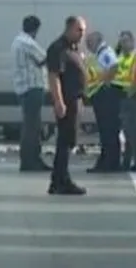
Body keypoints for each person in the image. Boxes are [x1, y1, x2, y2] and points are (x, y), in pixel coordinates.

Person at [46, 16, 88, 195]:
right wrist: (58, 101)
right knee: (65, 141)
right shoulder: (58, 49)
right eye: (79, 30)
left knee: (69, 141)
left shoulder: (73, 48)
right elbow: (54, 76)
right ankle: (62, 180)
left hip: (76, 99)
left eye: (83, 30)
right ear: (69, 28)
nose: (82, 34)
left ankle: (58, 179)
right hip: (67, 100)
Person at [11, 14, 50, 172]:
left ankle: (31, 159)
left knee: (31, 124)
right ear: (36, 29)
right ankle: (31, 160)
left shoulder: (17, 41)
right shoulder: (27, 42)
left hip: (23, 88)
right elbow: (43, 58)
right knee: (32, 126)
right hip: (31, 88)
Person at [84, 30, 122, 173]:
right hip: (101, 97)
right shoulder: (99, 53)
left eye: (89, 42)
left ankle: (110, 162)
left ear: (98, 40)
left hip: (106, 97)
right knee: (106, 131)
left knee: (108, 130)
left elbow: (114, 66)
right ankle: (107, 161)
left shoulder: (105, 52)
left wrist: (104, 83)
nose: (87, 45)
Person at [114, 31, 136, 172]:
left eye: (126, 41)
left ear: (132, 42)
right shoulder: (120, 58)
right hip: (122, 96)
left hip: (133, 97)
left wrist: (131, 91)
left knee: (133, 132)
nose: (124, 44)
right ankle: (126, 162)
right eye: (122, 41)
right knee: (127, 132)